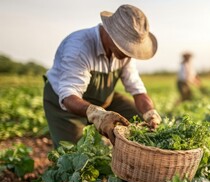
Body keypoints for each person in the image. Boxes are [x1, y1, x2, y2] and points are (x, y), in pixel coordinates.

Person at [43, 4, 162, 148]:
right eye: (125, 47)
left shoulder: (125, 56)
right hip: (66, 104)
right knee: (75, 155)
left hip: (103, 101)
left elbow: (137, 90)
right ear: (110, 32)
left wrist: (150, 113)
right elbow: (69, 95)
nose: (129, 53)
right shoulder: (79, 46)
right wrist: (97, 114)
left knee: (139, 121)